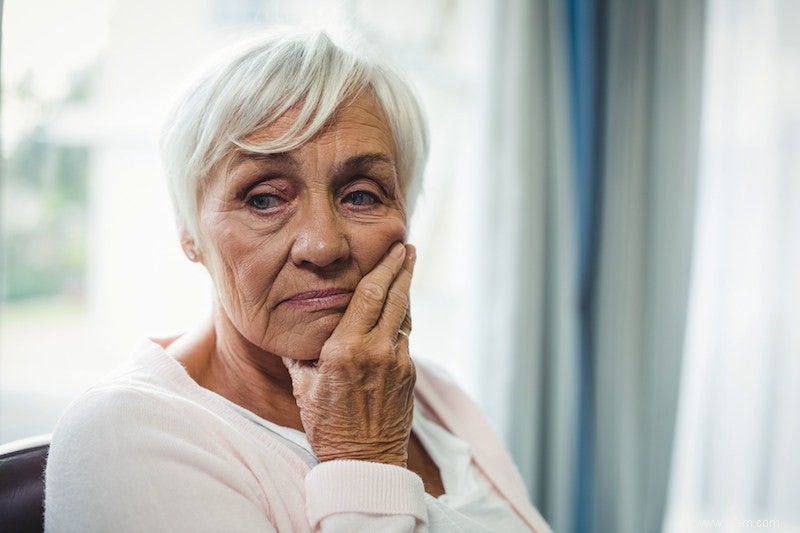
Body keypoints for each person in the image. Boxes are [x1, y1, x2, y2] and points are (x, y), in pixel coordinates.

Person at [44, 29, 551, 532]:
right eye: (263, 199)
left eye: (361, 194)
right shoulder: (124, 436)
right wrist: (363, 456)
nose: (323, 245)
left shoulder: (430, 391)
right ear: (190, 233)